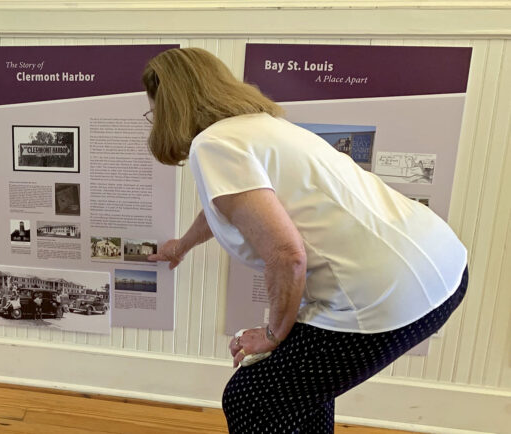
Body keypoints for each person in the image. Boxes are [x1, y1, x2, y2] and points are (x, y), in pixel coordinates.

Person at [142, 48, 468, 433]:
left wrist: (271, 335)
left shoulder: (213, 145)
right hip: (442, 266)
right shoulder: (260, 126)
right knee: (300, 393)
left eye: (154, 111)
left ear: (171, 106)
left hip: (387, 294)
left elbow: (287, 254)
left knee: (252, 399)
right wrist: (182, 245)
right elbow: (230, 205)